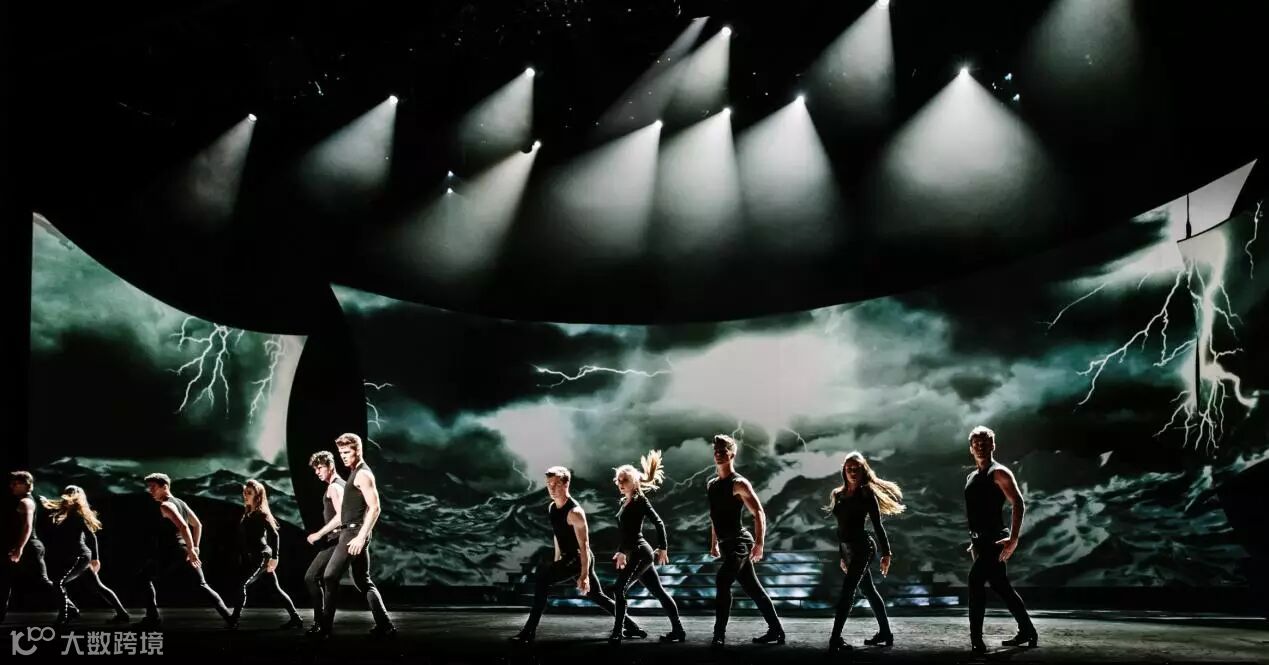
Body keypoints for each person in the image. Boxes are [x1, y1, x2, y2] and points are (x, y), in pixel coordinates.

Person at [508, 465, 644, 644]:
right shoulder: (552, 507)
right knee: (597, 595)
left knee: (542, 578)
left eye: (556, 484)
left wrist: (584, 575)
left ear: (566, 484)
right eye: (549, 484)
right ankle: (633, 627)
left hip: (580, 559)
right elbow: (557, 535)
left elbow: (584, 546)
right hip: (568, 558)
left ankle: (528, 632)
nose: (552, 488)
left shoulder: (575, 513)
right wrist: (557, 561)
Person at [964, 426, 1037, 654]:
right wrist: (975, 540)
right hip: (979, 542)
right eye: (976, 443)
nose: (980, 447)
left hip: (995, 541)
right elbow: (976, 511)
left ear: (993, 445)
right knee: (1000, 586)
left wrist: (1013, 539)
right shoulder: (971, 476)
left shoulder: (999, 473)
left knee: (975, 581)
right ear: (971, 448)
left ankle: (976, 640)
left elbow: (1018, 502)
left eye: (985, 443)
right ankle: (1028, 630)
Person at [707, 434, 784, 648]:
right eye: (716, 451)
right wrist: (714, 542)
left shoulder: (739, 483)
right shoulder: (712, 485)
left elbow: (758, 512)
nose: (718, 454)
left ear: (732, 454)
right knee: (753, 589)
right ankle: (776, 630)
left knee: (723, 580)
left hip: (740, 543)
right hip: (726, 544)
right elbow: (714, 516)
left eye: (723, 451)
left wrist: (759, 544)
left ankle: (718, 635)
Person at [315, 433, 394, 638]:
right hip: (352, 531)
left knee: (329, 576)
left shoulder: (363, 474)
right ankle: (385, 625)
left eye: (347, 452)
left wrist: (360, 537)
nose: (343, 456)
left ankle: (324, 629)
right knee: (362, 580)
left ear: (358, 450)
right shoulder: (354, 473)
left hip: (353, 533)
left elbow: (375, 508)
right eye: (340, 452)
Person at [825, 452, 903, 651]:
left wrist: (887, 554)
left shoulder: (867, 495)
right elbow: (840, 529)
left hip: (863, 548)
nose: (852, 472)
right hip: (848, 550)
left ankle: (835, 638)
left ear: (863, 471)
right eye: (849, 469)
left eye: (856, 469)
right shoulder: (838, 494)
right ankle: (885, 633)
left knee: (848, 590)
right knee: (868, 590)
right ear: (844, 471)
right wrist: (842, 556)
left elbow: (878, 526)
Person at [136, 472, 233, 630]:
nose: (150, 490)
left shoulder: (166, 505)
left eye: (153, 487)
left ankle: (153, 617)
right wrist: (195, 547)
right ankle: (230, 618)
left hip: (173, 552)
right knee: (202, 585)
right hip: (184, 551)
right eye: (149, 487)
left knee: (143, 577)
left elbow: (184, 526)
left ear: (164, 487)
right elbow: (198, 524)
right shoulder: (180, 502)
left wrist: (192, 549)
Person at [609, 451, 684, 645]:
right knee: (658, 591)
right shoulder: (624, 502)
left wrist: (663, 547)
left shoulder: (640, 500)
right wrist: (621, 551)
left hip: (641, 553)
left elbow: (659, 523)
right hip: (635, 553)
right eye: (618, 480)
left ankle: (618, 632)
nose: (620, 484)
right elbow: (626, 533)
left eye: (624, 480)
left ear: (634, 482)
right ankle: (678, 631)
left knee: (619, 589)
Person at [40, 485, 129, 625]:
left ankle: (64, 616)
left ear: (75, 498)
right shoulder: (69, 512)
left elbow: (92, 536)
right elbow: (56, 505)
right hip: (77, 555)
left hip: (80, 556)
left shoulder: (77, 515)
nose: (65, 497)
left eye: (69, 494)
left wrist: (95, 559)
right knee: (98, 586)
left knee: (58, 583)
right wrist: (46, 502)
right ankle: (122, 614)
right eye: (65, 494)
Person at [231, 479, 303, 629]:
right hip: (255, 557)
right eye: (245, 492)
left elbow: (275, 535)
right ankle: (296, 618)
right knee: (275, 589)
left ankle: (234, 619)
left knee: (241, 585)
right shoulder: (248, 514)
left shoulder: (261, 514)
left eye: (249, 493)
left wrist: (275, 558)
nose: (245, 495)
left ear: (257, 496)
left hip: (261, 556)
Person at [1, 471, 56, 623]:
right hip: (25, 546)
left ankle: (70, 608)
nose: (11, 486)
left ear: (26, 484)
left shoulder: (26, 502)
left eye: (15, 483)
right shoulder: (24, 501)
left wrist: (20, 548)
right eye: (11, 483)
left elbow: (27, 526)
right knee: (5, 580)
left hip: (30, 547)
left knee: (43, 582)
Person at [303, 451, 345, 635]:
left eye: (320, 468)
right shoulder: (342, 484)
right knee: (331, 580)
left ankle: (321, 623)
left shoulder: (334, 487)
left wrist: (318, 534)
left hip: (336, 540)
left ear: (330, 466)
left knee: (311, 577)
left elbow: (341, 516)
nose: (317, 472)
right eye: (315, 469)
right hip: (338, 539)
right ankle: (323, 624)